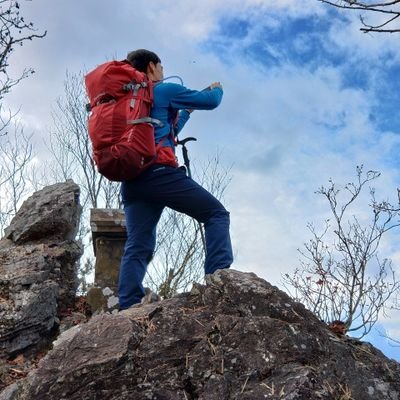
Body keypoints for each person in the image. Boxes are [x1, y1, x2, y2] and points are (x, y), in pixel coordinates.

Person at [118, 49, 233, 310]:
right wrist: (217, 88)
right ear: (151, 66)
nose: (162, 71)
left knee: (138, 244)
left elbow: (163, 132)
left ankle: (126, 306)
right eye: (161, 66)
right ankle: (219, 282)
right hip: (159, 173)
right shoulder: (161, 90)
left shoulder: (127, 100)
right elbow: (211, 100)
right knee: (216, 215)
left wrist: (186, 112)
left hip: (133, 181)